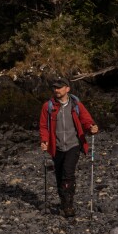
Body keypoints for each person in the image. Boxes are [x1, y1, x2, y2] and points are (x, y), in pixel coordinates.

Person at [39, 77, 99, 217]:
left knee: (68, 173)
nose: (56, 90)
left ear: (67, 89)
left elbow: (86, 121)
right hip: (56, 146)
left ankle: (68, 206)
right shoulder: (48, 106)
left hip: (74, 145)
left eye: (59, 87)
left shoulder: (76, 105)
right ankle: (63, 201)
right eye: (54, 87)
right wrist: (44, 140)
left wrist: (92, 128)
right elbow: (43, 126)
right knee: (60, 176)